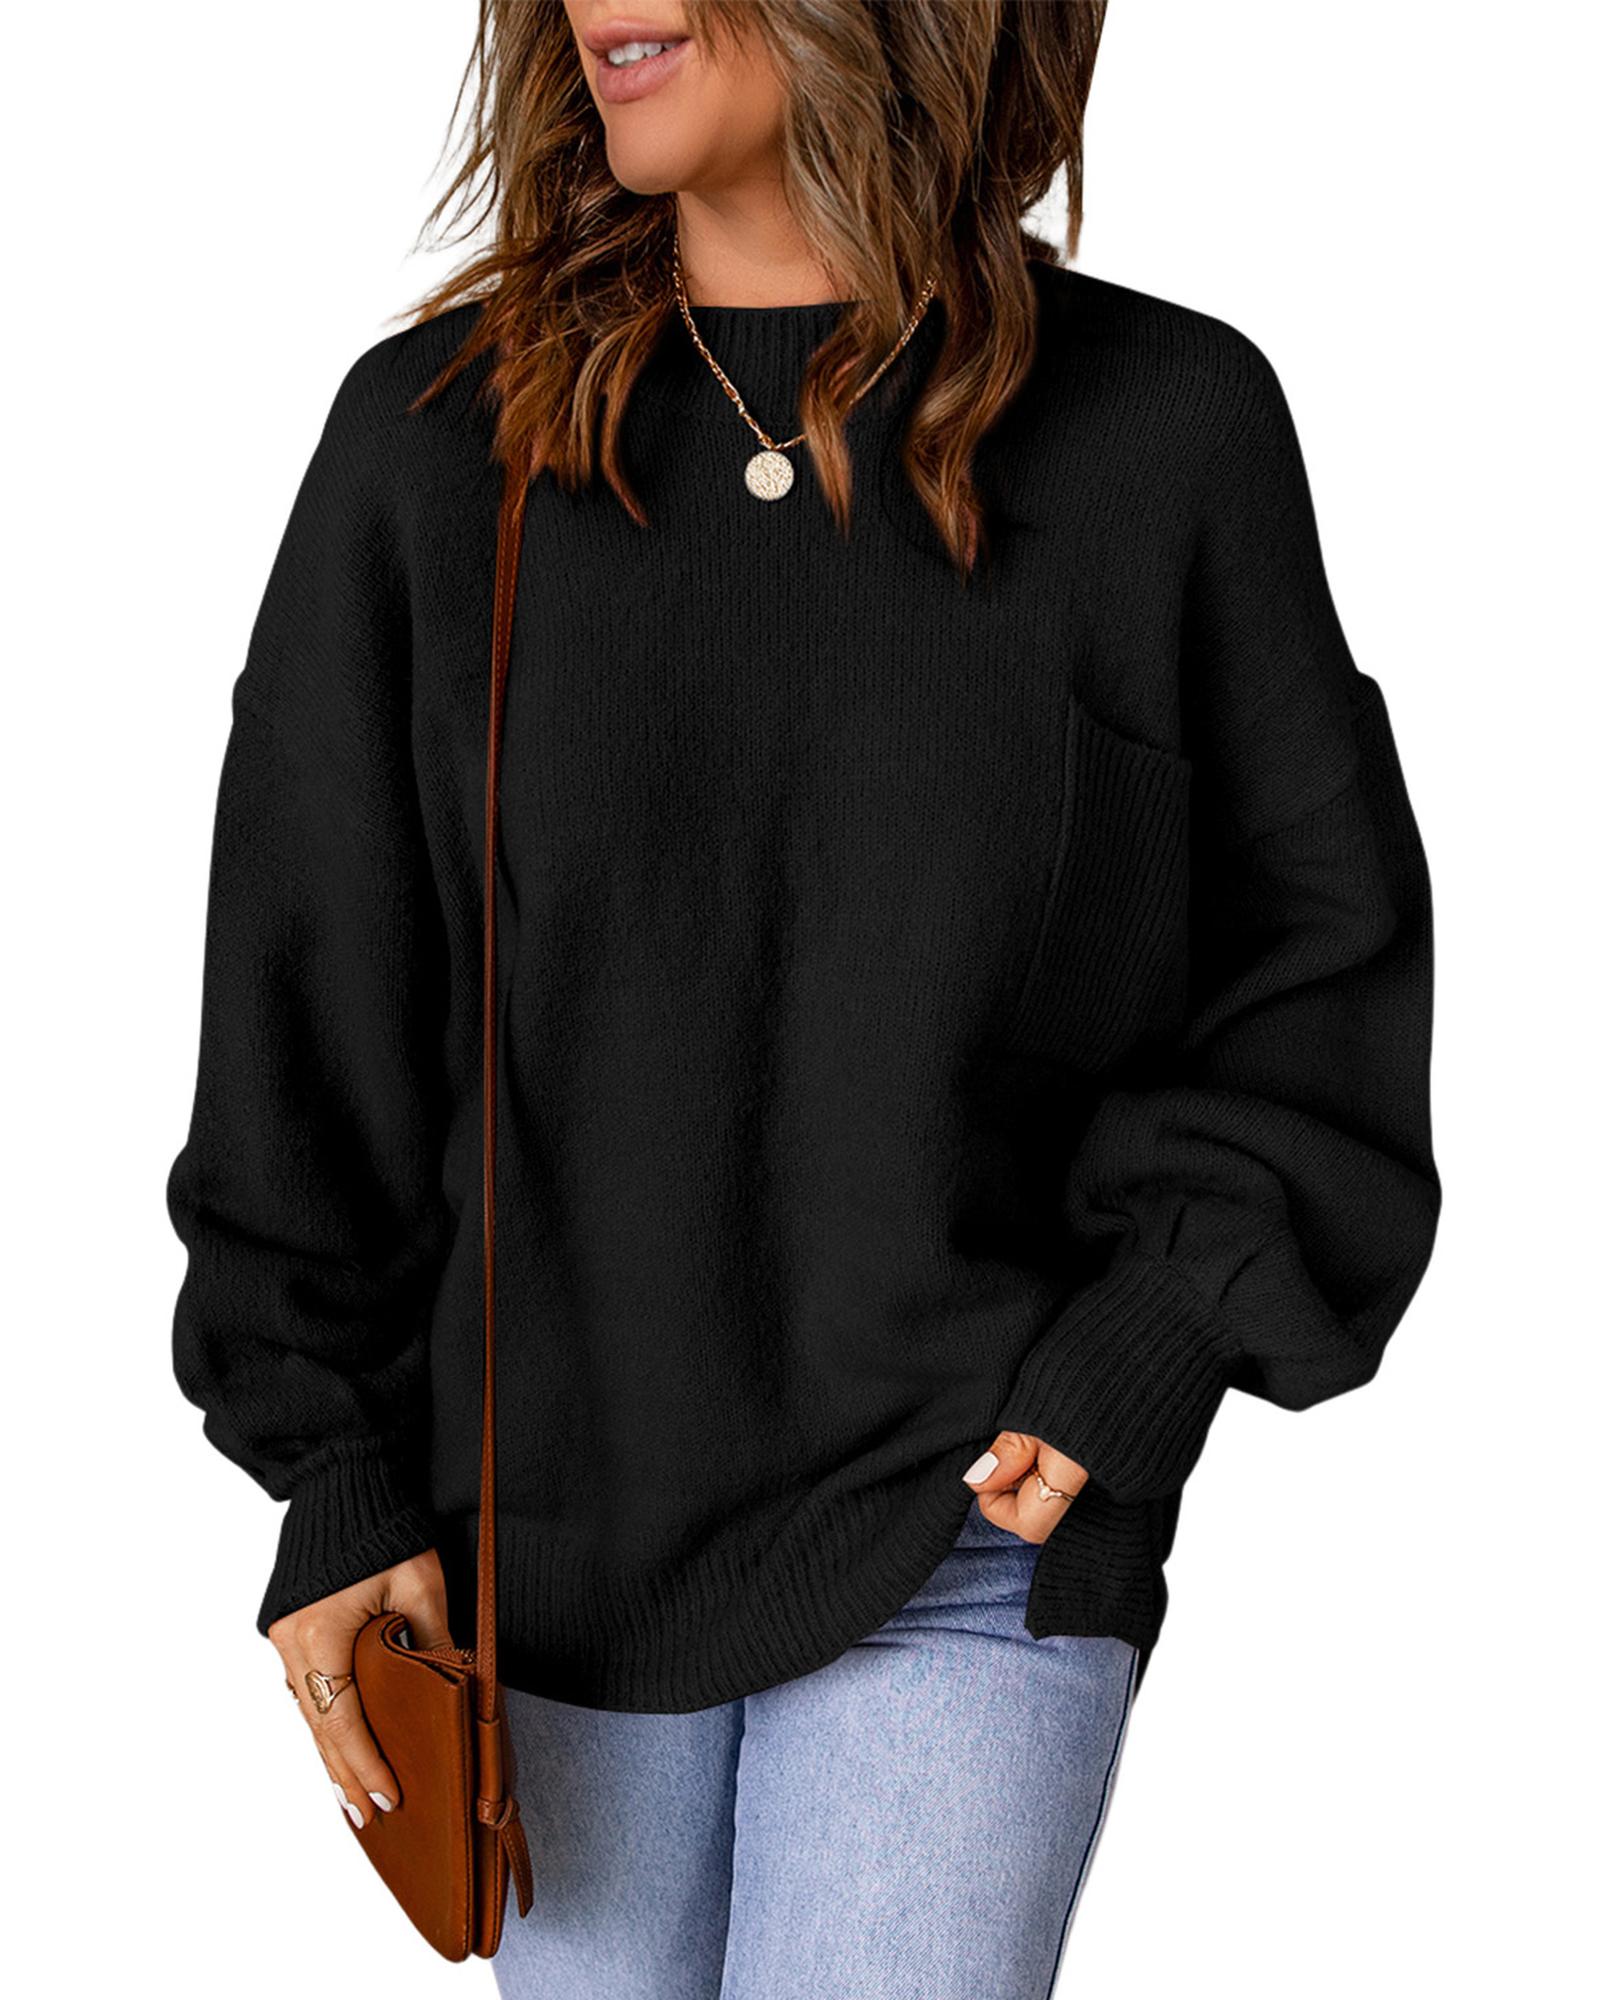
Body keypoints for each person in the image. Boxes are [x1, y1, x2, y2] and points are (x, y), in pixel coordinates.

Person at [164, 3, 1442, 1992]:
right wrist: (327, 1467)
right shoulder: (438, 441)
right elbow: (306, 1011)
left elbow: (1316, 949)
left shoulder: (1159, 429)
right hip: (536, 1551)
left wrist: (1153, 1328)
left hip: (971, 1532)